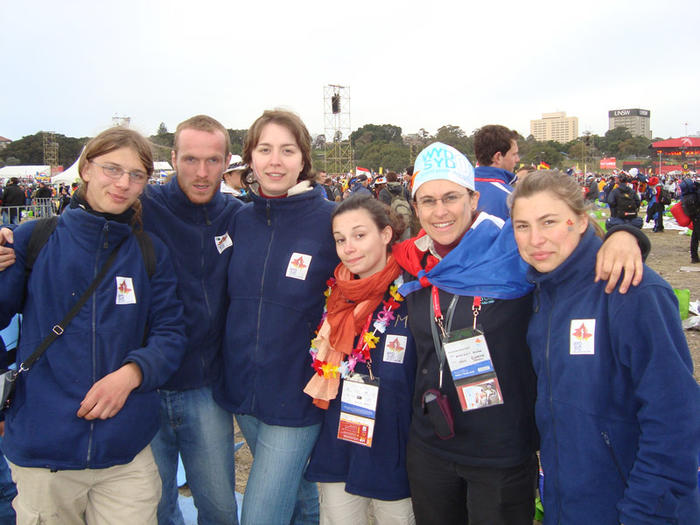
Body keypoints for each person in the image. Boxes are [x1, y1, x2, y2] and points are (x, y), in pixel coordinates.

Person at [391, 143, 645, 525]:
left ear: (474, 198)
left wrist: (625, 236)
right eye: (427, 200)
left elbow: (571, 249)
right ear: (415, 207)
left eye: (451, 197)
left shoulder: (513, 247)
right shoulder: (413, 262)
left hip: (501, 451)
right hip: (431, 445)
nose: (440, 211)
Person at [0, 127, 187, 525]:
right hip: (45, 452)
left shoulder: (149, 252)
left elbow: (170, 333)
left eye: (136, 175)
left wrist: (132, 373)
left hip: (125, 451)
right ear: (86, 168)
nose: (123, 183)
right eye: (112, 169)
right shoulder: (34, 239)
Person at [509, 170, 700, 525]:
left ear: (581, 221)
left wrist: (645, 513)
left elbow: (675, 419)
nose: (535, 239)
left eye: (548, 222)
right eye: (522, 226)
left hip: (634, 507)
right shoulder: (541, 295)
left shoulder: (633, 290)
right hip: (568, 503)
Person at [214, 109, 338, 525]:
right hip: (244, 392)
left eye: (287, 150)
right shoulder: (239, 218)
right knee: (300, 498)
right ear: (250, 158)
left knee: (261, 514)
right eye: (264, 149)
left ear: (303, 158)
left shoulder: (330, 221)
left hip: (299, 394)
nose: (275, 161)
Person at [143, 115, 241, 525]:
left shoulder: (237, 215)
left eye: (213, 160)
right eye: (190, 160)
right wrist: (16, 241)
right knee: (156, 507)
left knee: (219, 506)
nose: (202, 173)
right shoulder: (141, 206)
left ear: (227, 161)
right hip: (143, 384)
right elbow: (77, 224)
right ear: (173, 158)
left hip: (206, 386)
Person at [304, 195, 417, 525]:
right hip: (341, 439)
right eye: (340, 239)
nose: (349, 248)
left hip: (395, 449)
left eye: (359, 235)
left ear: (385, 235)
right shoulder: (334, 297)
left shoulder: (413, 293)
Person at [473, 125, 520, 220]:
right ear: (498, 157)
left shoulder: (457, 191)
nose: (517, 159)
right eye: (514, 154)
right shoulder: (513, 199)